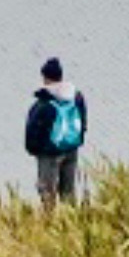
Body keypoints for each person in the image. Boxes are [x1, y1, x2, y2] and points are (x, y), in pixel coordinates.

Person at [25, 57, 87, 208]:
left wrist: (34, 150)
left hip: (49, 153)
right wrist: (77, 140)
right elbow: (82, 121)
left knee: (47, 191)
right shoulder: (76, 97)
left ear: (45, 77)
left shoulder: (43, 103)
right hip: (71, 148)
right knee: (68, 190)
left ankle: (49, 224)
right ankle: (71, 223)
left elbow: (33, 131)